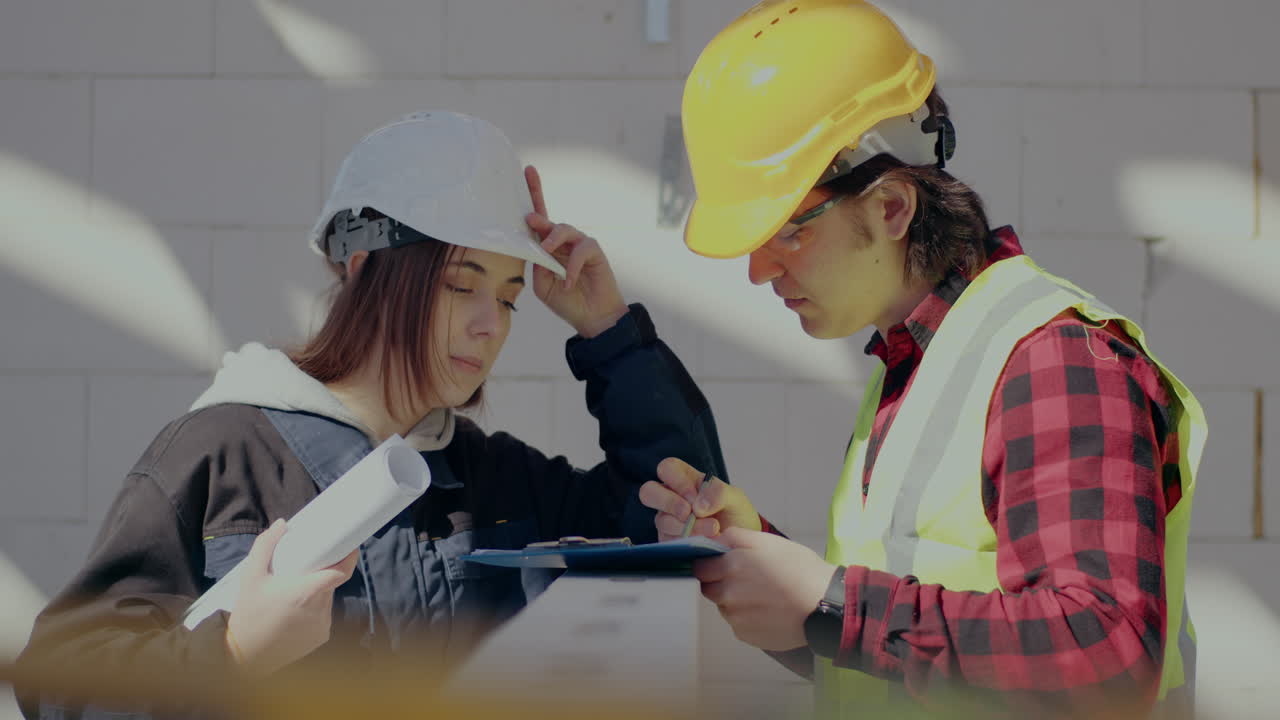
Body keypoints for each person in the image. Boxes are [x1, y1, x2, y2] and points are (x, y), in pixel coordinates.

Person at [16, 111, 728, 718]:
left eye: (510, 296)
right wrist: (230, 653)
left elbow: (680, 514)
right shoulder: (221, 454)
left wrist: (608, 332)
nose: (492, 324)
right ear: (363, 271)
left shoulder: (494, 479)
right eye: (461, 284)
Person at [639, 1, 1207, 718]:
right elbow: (891, 662)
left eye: (786, 231)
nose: (757, 269)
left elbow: (1105, 656)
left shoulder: (1055, 359)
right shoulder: (916, 366)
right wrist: (769, 568)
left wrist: (831, 607)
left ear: (891, 208)